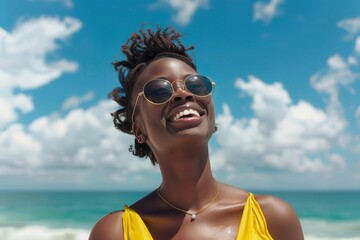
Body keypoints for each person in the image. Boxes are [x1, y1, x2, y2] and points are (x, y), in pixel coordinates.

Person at [89, 26, 304, 240]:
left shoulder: (273, 218)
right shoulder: (116, 232)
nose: (182, 93)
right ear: (139, 130)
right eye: (159, 90)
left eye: (196, 85)